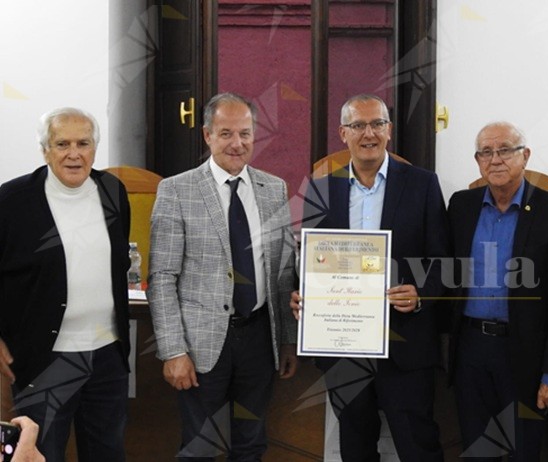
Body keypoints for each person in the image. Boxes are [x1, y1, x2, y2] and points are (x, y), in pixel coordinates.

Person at [290, 94, 449, 461]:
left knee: (419, 448)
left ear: (389, 131)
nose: (369, 133)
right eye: (358, 125)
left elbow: (444, 261)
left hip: (405, 346)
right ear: (343, 133)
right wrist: (302, 295)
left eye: (377, 124)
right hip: (344, 348)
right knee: (355, 449)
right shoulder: (321, 189)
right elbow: (309, 262)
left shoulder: (422, 184)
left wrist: (421, 293)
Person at [148, 92, 297, 461]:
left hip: (260, 341)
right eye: (226, 133)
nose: (237, 143)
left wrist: (288, 341)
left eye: (245, 133)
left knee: (251, 444)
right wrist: (173, 350)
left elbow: (282, 270)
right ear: (207, 135)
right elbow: (163, 277)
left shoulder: (273, 188)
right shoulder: (176, 191)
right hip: (200, 347)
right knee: (199, 447)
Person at [447, 121, 548, 461]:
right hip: (471, 351)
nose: (496, 159)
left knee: (524, 450)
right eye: (486, 152)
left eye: (505, 150)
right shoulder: (461, 206)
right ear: (477, 160)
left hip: (526, 354)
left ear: (525, 156)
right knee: (476, 449)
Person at [0, 108, 131, 462]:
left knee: (107, 453)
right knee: (41, 455)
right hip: (43, 360)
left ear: (94, 148)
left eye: (83, 143)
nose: (74, 153)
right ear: (45, 150)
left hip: (107, 356)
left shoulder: (113, 191)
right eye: (62, 144)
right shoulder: (12, 201)